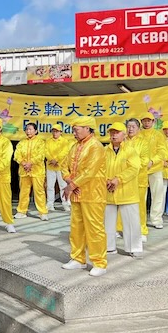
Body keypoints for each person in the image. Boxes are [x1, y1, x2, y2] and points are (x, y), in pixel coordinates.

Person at [61, 116, 108, 277]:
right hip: (77, 193)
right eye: (73, 129)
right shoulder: (74, 146)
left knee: (94, 228)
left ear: (88, 128)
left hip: (92, 194)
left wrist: (71, 186)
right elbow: (64, 165)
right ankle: (78, 258)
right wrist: (68, 181)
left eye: (77, 129)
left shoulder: (96, 146)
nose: (74, 132)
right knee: (76, 228)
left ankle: (99, 262)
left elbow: (90, 171)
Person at [104, 123, 142, 258]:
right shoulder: (104, 151)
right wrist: (107, 180)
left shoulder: (130, 150)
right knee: (107, 221)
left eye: (117, 132)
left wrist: (118, 179)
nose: (114, 135)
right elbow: (99, 169)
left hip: (127, 191)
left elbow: (134, 168)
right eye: (112, 132)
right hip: (109, 191)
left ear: (124, 134)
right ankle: (109, 246)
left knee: (131, 221)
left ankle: (134, 247)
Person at [14, 122, 48, 221]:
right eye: (27, 129)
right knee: (24, 192)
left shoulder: (40, 142)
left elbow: (41, 155)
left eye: (30, 129)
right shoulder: (22, 142)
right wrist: (23, 163)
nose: (28, 131)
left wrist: (30, 163)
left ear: (36, 131)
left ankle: (43, 212)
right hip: (24, 171)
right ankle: (21, 211)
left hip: (37, 171)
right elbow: (17, 155)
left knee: (39, 192)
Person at [125, 118, 151, 242]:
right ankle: (121, 228)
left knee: (139, 206)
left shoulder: (143, 142)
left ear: (138, 129)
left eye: (133, 127)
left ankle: (142, 230)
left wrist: (132, 167)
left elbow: (145, 160)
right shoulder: (122, 142)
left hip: (139, 179)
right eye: (128, 126)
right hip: (124, 180)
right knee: (122, 205)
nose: (130, 129)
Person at [139, 113, 166, 230]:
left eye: (149, 121)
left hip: (155, 168)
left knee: (157, 195)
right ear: (141, 122)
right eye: (144, 120)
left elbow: (162, 152)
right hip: (141, 169)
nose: (147, 123)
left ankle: (156, 219)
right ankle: (140, 220)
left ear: (153, 122)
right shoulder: (138, 134)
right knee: (140, 196)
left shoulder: (158, 135)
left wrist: (153, 161)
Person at [45, 125, 72, 212]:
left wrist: (56, 160)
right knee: (50, 186)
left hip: (61, 167)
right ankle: (50, 204)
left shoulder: (65, 141)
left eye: (57, 131)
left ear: (61, 132)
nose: (55, 133)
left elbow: (65, 152)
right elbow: (45, 151)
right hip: (50, 166)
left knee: (63, 186)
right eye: (53, 131)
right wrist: (51, 159)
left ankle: (65, 203)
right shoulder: (48, 141)